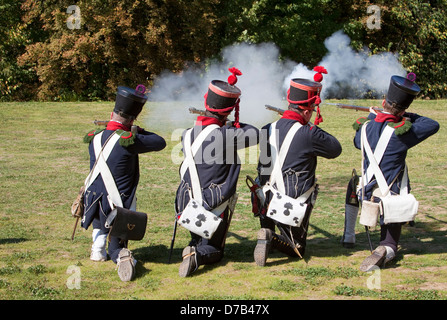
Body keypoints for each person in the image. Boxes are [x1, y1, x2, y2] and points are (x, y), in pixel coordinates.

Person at [341, 74, 440, 271]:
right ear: (403, 109)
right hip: (390, 200)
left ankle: (348, 236)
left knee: (353, 182)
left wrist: (373, 115)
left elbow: (355, 142)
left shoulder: (366, 127)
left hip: (366, 194)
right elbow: (432, 124)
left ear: (384, 102)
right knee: (390, 244)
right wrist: (406, 115)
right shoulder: (401, 133)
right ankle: (386, 249)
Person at [252, 67, 342, 266]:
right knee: (297, 248)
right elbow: (335, 149)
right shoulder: (309, 133)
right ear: (308, 109)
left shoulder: (267, 129)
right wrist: (311, 126)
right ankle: (269, 236)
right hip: (292, 202)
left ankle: (267, 230)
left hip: (265, 200)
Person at [174, 68, 259, 277]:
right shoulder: (224, 135)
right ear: (229, 109)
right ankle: (196, 255)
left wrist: (224, 122)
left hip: (186, 202)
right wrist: (229, 123)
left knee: (200, 236)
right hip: (212, 203)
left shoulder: (187, 134)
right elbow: (255, 133)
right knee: (216, 250)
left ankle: (194, 244)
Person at [81, 85, 166, 281]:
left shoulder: (95, 137)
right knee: (117, 243)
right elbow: (159, 142)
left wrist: (130, 129)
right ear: (132, 119)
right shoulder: (128, 140)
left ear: (112, 113)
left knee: (99, 210)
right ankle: (122, 258)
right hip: (116, 200)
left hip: (93, 198)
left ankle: (97, 248)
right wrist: (137, 131)